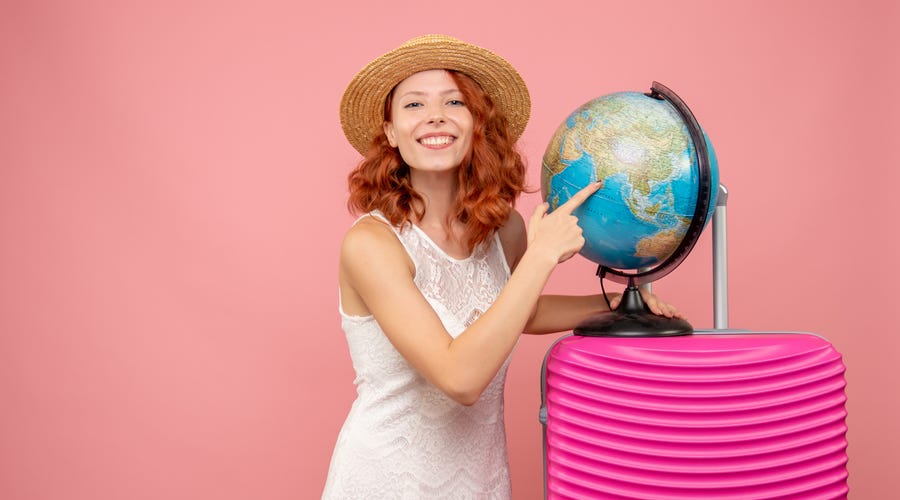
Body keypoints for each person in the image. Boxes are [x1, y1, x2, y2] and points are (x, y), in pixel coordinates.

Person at [322, 34, 681, 499]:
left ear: (477, 123)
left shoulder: (503, 228)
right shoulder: (371, 244)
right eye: (413, 105)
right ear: (390, 132)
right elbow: (460, 378)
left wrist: (616, 304)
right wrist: (541, 257)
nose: (435, 115)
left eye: (454, 101)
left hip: (482, 481)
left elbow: (517, 312)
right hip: (387, 482)